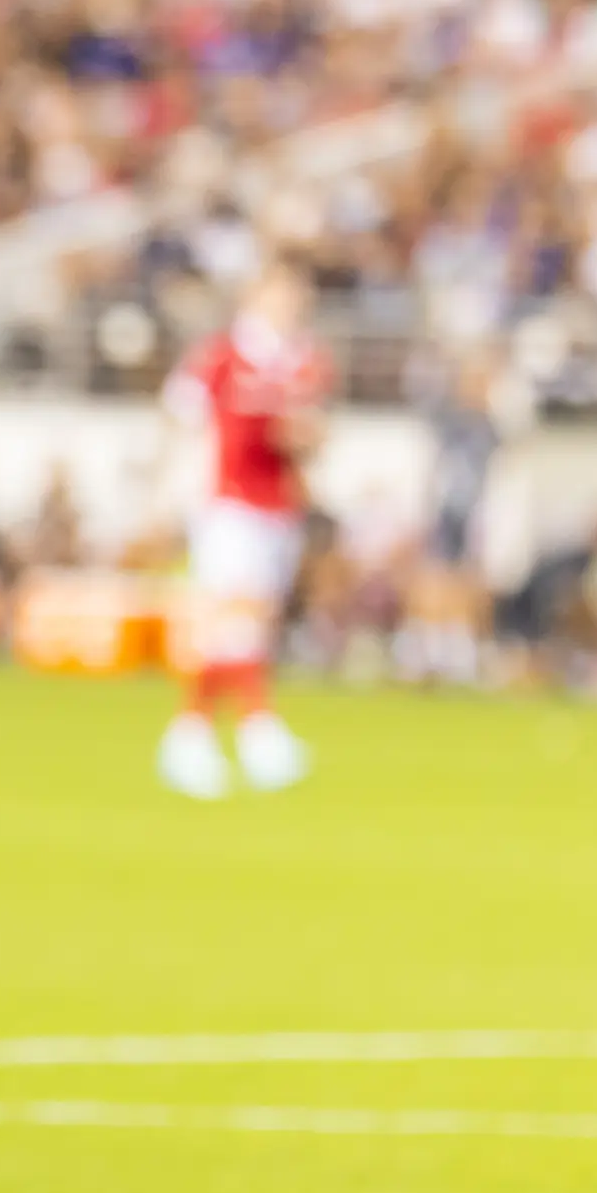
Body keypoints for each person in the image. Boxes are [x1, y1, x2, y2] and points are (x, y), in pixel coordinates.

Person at [158, 265, 327, 797]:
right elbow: (179, 413)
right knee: (236, 619)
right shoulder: (222, 356)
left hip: (280, 504)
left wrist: (302, 440)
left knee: (250, 625)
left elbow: (313, 434)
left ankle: (193, 732)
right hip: (230, 504)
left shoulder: (304, 361)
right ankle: (258, 728)